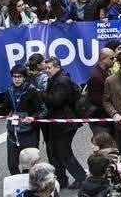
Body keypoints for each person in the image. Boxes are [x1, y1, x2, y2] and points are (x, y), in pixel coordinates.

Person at [40, 56, 87, 190]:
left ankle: (81, 178)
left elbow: (56, 101)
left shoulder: (61, 81)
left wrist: (41, 94)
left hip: (64, 124)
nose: (47, 71)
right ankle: (62, 179)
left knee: (64, 152)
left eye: (49, 68)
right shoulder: (56, 78)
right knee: (57, 151)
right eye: (46, 68)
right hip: (60, 123)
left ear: (57, 67)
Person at [0, 63, 44, 176]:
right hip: (13, 133)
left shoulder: (32, 90)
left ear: (24, 77)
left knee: (30, 166)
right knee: (12, 164)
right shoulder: (9, 90)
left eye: (19, 77)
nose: (17, 79)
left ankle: (30, 188)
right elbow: (3, 109)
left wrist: (33, 117)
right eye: (14, 77)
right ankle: (18, 185)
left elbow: (42, 110)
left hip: (29, 133)